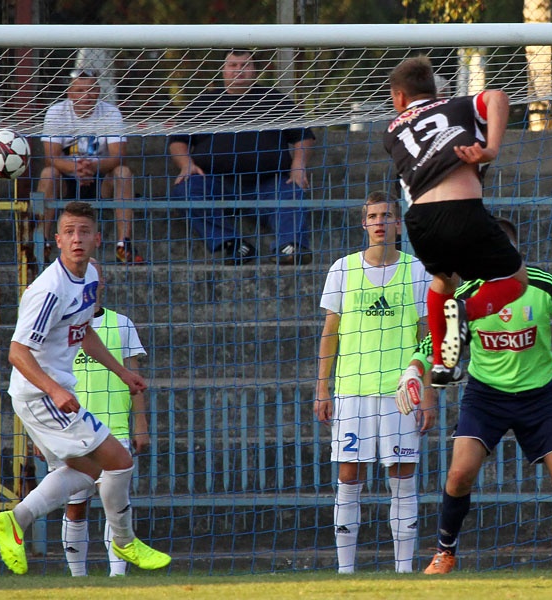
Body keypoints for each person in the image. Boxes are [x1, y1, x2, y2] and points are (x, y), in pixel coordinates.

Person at [398, 218, 552, 575]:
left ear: (513, 254)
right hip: (485, 397)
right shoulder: (463, 296)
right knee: (459, 475)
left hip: (538, 398)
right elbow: (432, 341)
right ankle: (445, 552)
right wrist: (413, 371)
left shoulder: (542, 285)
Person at [0, 201, 169, 575]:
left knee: (87, 472)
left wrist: (122, 372)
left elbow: (84, 331)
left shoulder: (89, 276)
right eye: (69, 232)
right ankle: (124, 541)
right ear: (57, 240)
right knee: (119, 461)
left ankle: (16, 519)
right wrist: (55, 390)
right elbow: (17, 352)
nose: (77, 239)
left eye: (83, 231)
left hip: (45, 392)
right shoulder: (49, 290)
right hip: (40, 393)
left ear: (97, 239)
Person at [383, 56, 529, 388]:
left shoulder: (391, 131)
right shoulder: (459, 106)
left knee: (442, 283)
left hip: (419, 223)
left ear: (399, 98)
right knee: (517, 280)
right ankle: (466, 312)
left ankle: (442, 364)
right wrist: (490, 149)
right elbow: (498, 97)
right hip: (462, 211)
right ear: (435, 92)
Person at [315, 191, 436, 573]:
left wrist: (429, 391)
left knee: (402, 476)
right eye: (373, 216)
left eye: (387, 215)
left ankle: (404, 570)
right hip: (351, 390)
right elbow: (329, 333)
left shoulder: (417, 270)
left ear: (399, 223)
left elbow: (427, 336)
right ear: (364, 223)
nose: (380, 221)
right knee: (349, 475)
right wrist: (322, 388)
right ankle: (345, 571)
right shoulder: (342, 268)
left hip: (401, 393)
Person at [168, 49, 315, 265]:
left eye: (245, 65)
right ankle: (234, 245)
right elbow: (177, 140)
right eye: (233, 66)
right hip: (217, 185)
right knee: (186, 189)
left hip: (268, 184)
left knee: (293, 190)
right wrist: (186, 164)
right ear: (223, 70)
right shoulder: (202, 103)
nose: (239, 71)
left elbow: (304, 136)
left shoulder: (274, 100)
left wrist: (299, 165)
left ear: (254, 70)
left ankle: (290, 247)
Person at [59, 258, 150, 577]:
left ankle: (117, 577)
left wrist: (141, 427)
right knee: (75, 505)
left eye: (93, 276)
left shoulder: (121, 324)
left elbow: (135, 379)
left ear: (102, 283)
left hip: (114, 430)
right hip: (70, 431)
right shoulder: (60, 326)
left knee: (116, 506)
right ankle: (78, 578)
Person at [38, 69, 143, 265]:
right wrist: (74, 168)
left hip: (101, 177)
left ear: (98, 91)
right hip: (67, 178)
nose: (86, 96)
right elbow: (50, 158)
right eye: (79, 90)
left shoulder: (111, 113)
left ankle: (124, 244)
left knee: (123, 173)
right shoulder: (56, 112)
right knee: (47, 174)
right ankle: (42, 243)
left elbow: (118, 156)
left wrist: (92, 167)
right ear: (70, 93)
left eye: (91, 90)